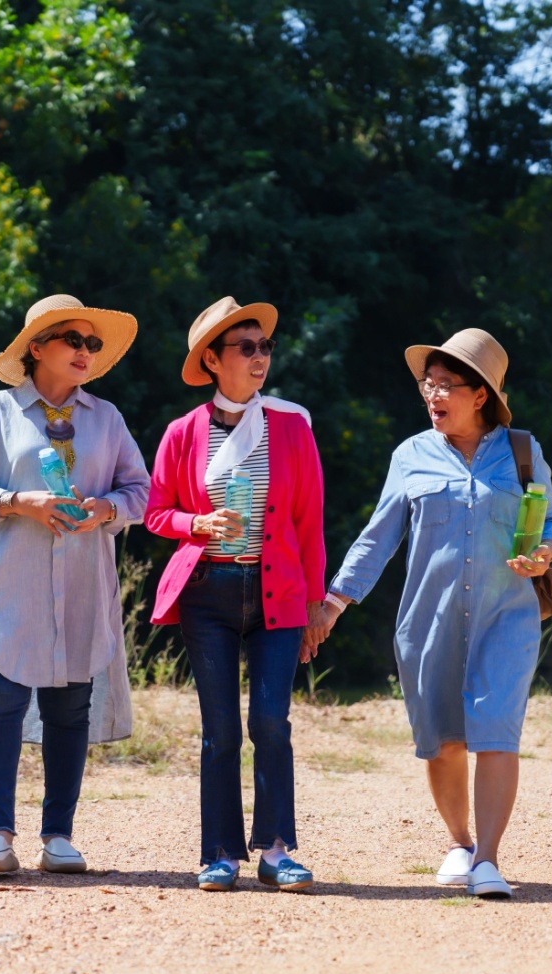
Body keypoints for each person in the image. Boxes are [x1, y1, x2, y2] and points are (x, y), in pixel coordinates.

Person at [309, 328, 552, 899]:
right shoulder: (411, 455)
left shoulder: (522, 451)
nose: (434, 395)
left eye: (448, 385)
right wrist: (333, 603)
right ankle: (459, 842)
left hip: (507, 616)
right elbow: (378, 539)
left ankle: (490, 862)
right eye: (430, 384)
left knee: (497, 731)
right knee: (443, 738)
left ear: (481, 396)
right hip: (429, 621)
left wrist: (545, 552)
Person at [0, 294, 151, 875]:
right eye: (73, 341)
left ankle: (59, 835)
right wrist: (16, 503)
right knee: (1, 704)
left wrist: (106, 509)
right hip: (10, 587)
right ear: (37, 348)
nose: (86, 352)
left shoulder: (106, 418)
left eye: (93, 344)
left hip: (83, 586)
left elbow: (141, 490)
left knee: (69, 709)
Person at [144, 296, 326, 892]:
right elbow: (156, 515)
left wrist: (316, 606)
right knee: (220, 729)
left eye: (265, 347)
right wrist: (195, 525)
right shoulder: (181, 433)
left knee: (271, 721)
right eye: (245, 348)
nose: (259, 358)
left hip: (278, 593)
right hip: (208, 594)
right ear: (213, 360)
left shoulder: (293, 427)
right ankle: (219, 852)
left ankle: (276, 850)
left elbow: (309, 525)